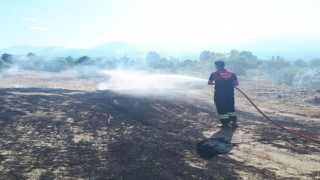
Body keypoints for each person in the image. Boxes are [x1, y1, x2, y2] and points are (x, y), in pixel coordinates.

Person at [208, 60, 239, 128]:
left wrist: (214, 83)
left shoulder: (214, 74)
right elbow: (236, 83)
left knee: (221, 107)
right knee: (231, 107)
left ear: (217, 66)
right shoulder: (231, 73)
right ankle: (234, 122)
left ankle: (225, 123)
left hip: (219, 95)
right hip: (230, 94)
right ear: (223, 65)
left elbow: (209, 83)